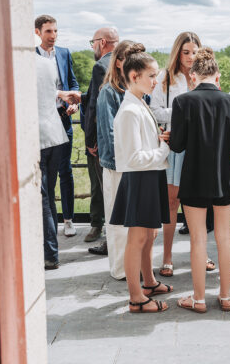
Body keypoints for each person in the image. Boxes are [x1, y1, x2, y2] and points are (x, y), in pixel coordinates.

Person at [170, 47, 230, 312]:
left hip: (193, 178)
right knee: (225, 237)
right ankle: (226, 297)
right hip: (224, 177)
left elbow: (177, 146)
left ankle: (199, 299)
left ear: (193, 76)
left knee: (198, 239)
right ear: (217, 75)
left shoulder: (182, 102)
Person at [109, 43, 173, 313]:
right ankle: (136, 297)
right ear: (134, 76)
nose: (155, 81)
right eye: (151, 76)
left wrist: (158, 140)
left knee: (148, 236)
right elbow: (134, 158)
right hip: (139, 178)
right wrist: (164, 149)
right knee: (136, 240)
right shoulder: (129, 111)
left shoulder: (139, 104)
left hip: (150, 176)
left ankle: (148, 283)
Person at [150, 32, 215, 276]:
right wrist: (181, 112)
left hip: (199, 147)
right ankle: (166, 256)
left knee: (199, 205)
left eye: (194, 52)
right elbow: (155, 111)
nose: (189, 57)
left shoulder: (206, 77)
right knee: (171, 203)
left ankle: (203, 254)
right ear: (177, 52)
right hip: (176, 146)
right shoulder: (165, 78)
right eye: (185, 52)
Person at [96, 40, 138, 280]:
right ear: (119, 62)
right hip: (117, 166)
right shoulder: (108, 92)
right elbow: (110, 134)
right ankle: (120, 269)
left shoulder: (132, 91)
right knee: (117, 221)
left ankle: (133, 265)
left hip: (134, 164)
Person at [34, 15, 80, 237]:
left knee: (66, 171)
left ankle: (68, 220)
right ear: (37, 33)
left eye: (55, 31)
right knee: (45, 178)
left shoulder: (64, 53)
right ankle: (48, 222)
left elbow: (73, 83)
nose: (53, 36)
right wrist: (59, 94)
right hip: (43, 121)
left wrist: (74, 102)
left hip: (64, 118)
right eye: (48, 32)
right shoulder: (30, 57)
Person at [35, 54, 81, 269]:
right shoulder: (46, 63)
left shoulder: (27, 64)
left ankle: (50, 254)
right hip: (56, 135)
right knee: (49, 195)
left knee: (43, 197)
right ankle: (52, 250)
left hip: (40, 137)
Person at [82, 27, 119, 251]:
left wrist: (90, 140)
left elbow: (96, 105)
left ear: (102, 42)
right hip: (120, 137)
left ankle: (108, 238)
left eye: (92, 42)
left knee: (106, 189)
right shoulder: (126, 63)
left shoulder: (100, 66)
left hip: (102, 139)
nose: (92, 47)